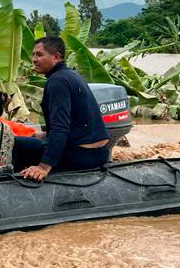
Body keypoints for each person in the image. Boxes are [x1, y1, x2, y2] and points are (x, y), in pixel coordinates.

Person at [17, 36, 110, 181]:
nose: (34, 59)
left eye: (39, 54)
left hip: (81, 156)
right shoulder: (71, 74)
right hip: (101, 153)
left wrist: (43, 167)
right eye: (33, 54)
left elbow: (60, 127)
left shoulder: (57, 82)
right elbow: (75, 120)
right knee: (33, 138)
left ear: (56, 57)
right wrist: (46, 134)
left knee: (16, 143)